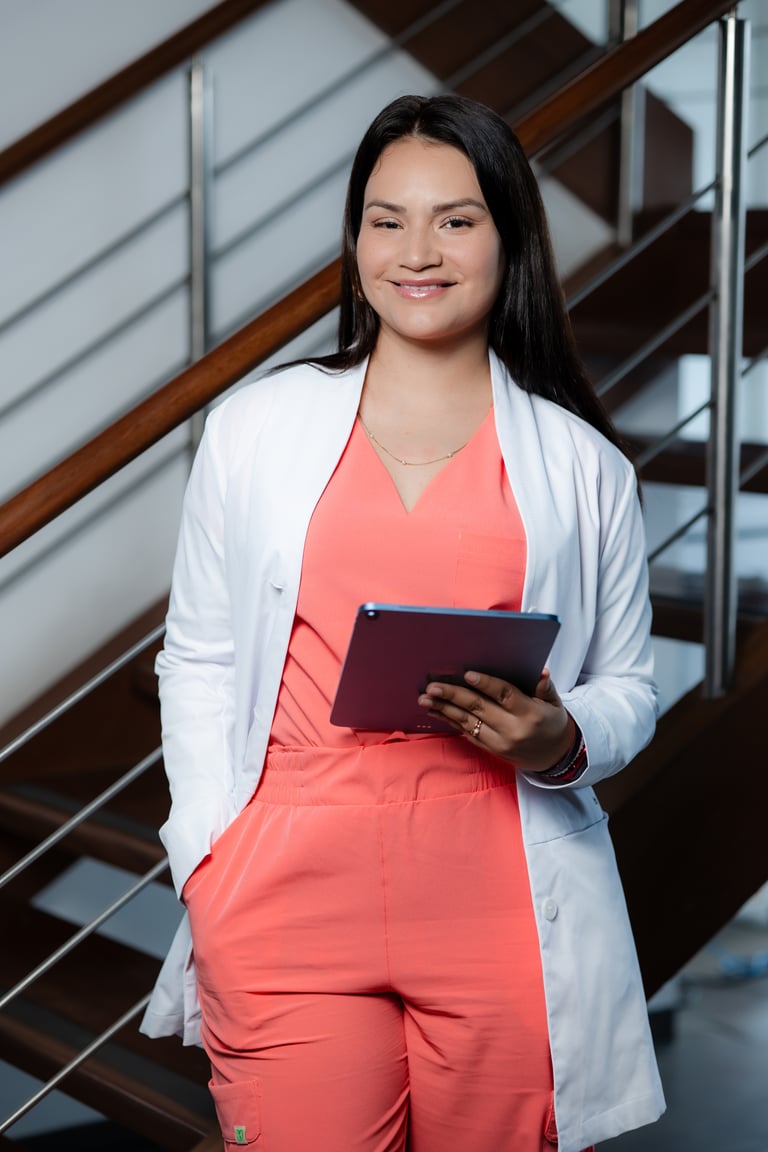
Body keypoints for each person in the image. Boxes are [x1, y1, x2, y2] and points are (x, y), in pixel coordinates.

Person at [141, 93, 665, 1151]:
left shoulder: (583, 467)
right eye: (387, 220)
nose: (416, 251)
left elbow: (631, 686)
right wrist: (204, 850)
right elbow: (200, 651)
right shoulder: (257, 429)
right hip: (284, 895)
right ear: (355, 239)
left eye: (456, 220)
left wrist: (561, 738)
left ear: (509, 239)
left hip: (504, 908)